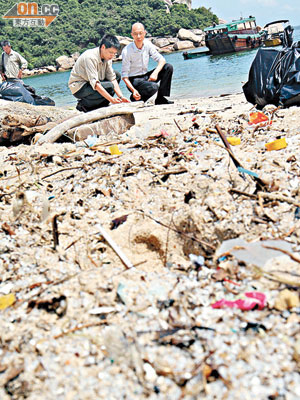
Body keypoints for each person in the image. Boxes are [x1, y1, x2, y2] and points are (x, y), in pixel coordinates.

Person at [68, 34, 129, 112]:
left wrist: (121, 97)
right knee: (110, 86)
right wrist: (111, 99)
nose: (112, 55)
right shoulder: (90, 57)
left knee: (117, 75)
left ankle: (100, 105)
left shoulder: (108, 57)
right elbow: (95, 84)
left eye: (114, 53)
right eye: (111, 52)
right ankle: (83, 104)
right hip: (80, 87)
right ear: (103, 47)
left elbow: (112, 78)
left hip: (92, 84)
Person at [121, 23, 173, 105]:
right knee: (154, 87)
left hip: (145, 76)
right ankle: (136, 97)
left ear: (145, 33)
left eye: (140, 33)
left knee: (168, 67)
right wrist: (133, 90)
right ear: (132, 35)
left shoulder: (147, 44)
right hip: (134, 80)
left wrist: (155, 73)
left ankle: (160, 98)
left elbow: (162, 60)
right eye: (135, 34)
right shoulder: (127, 51)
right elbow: (124, 76)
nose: (138, 36)